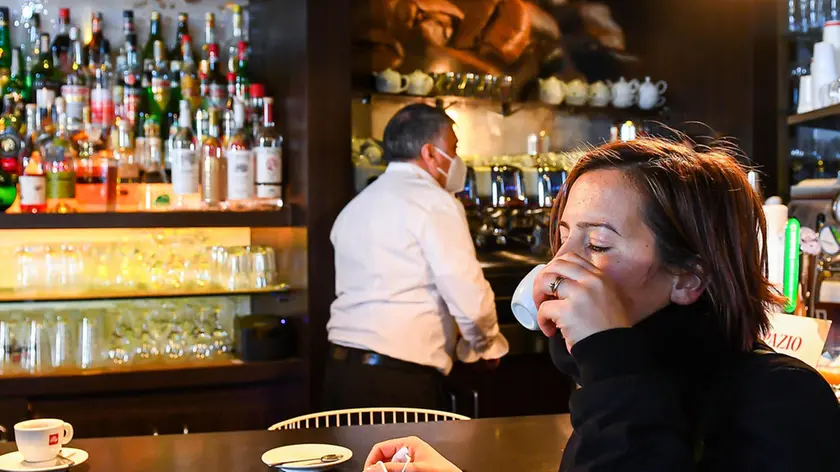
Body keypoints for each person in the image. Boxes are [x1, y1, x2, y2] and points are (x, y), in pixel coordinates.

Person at [362, 138, 840, 471]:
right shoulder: (632, 376)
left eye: (598, 244)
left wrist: (611, 361)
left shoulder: (781, 400)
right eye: (564, 239)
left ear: (689, 277)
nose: (557, 269)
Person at [324, 103, 509, 411]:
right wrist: (486, 346)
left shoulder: (355, 206)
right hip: (397, 381)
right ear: (430, 154)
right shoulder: (435, 202)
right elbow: (467, 294)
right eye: (454, 148)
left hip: (341, 374)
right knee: (407, 462)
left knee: (352, 461)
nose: (457, 159)